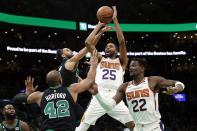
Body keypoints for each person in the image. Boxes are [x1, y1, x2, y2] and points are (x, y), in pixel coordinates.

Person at [76, 6, 135, 131]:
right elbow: (88, 43)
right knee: (81, 128)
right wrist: (99, 28)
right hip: (99, 95)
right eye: (107, 47)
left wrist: (115, 20)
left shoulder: (122, 62)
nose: (108, 48)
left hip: (116, 97)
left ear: (116, 50)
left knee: (134, 126)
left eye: (111, 46)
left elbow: (122, 42)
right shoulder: (99, 58)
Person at [94, 58, 185, 131]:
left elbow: (178, 83)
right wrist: (96, 93)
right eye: (130, 66)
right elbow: (108, 106)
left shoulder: (152, 81)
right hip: (137, 128)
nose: (130, 68)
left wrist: (177, 89)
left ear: (142, 68)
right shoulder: (124, 87)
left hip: (154, 126)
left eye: (134, 65)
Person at [25, 50, 99, 131]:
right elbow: (89, 80)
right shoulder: (71, 90)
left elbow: (28, 100)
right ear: (61, 80)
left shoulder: (39, 95)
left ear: (47, 82)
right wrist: (94, 65)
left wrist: (29, 92)